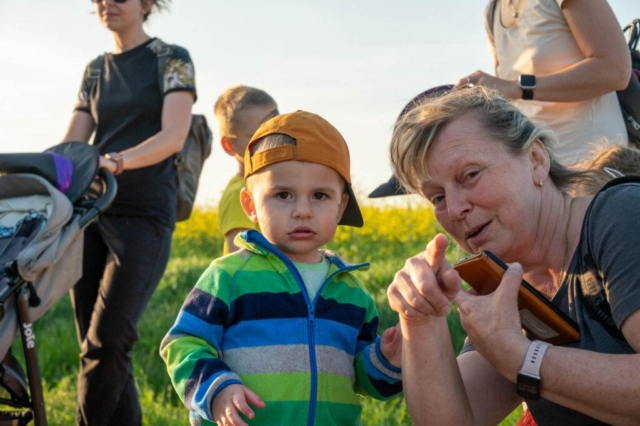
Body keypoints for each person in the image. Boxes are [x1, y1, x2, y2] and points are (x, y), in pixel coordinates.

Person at [386, 86, 640, 425]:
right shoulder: (501, 287)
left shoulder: (622, 215)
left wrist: (523, 358)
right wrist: (419, 317)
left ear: (536, 160)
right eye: (437, 198)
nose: (455, 209)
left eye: (470, 175)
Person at [160, 111, 403, 426]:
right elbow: (183, 342)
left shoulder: (352, 292)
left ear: (341, 206)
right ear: (250, 205)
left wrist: (387, 359)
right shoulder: (229, 276)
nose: (302, 211)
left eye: (320, 195)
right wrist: (216, 389)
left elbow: (364, 380)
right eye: (283, 195)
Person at [61, 1, 196, 424]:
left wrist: (115, 162)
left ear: (146, 4)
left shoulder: (171, 59)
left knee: (108, 341)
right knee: (98, 346)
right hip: (90, 212)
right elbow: (72, 144)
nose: (108, 3)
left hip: (144, 213)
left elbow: (174, 136)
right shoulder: (95, 71)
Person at [457, 0, 631, 164]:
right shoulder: (492, 12)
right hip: (538, 169)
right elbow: (507, 96)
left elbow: (616, 70)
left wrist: (517, 88)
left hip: (596, 167)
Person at [213, 85, 279, 254]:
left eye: (277, 129)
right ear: (229, 145)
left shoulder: (281, 185)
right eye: (258, 135)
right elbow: (240, 260)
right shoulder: (240, 193)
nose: (272, 139)